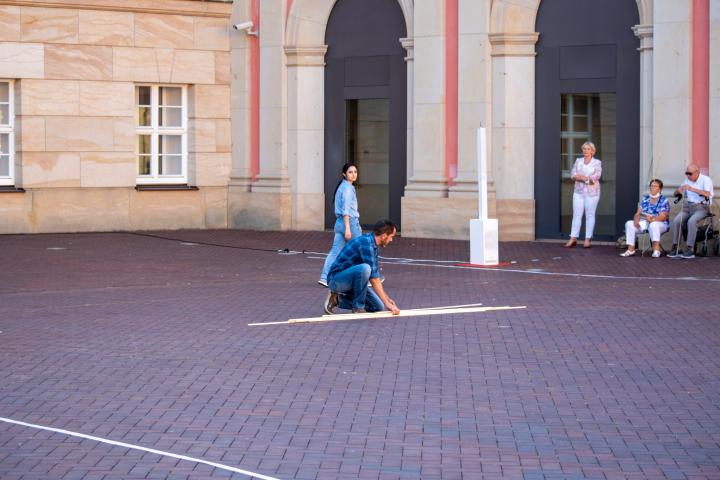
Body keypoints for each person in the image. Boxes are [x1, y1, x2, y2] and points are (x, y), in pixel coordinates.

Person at [323, 219, 401, 315]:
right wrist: (387, 303)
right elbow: (374, 279)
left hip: (352, 281)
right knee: (365, 268)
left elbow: (375, 275)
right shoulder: (366, 244)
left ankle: (337, 300)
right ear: (384, 236)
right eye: (391, 237)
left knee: (377, 306)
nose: (391, 240)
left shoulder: (373, 245)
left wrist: (387, 299)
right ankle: (358, 307)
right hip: (336, 280)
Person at [318, 163, 362, 287]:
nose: (353, 175)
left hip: (339, 223)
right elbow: (346, 211)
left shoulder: (342, 187)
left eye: (355, 172)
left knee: (335, 252)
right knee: (362, 250)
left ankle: (324, 277)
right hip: (349, 223)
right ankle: (367, 278)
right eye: (350, 172)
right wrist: (348, 228)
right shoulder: (348, 189)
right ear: (344, 174)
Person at [667, 163, 714, 259]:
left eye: (690, 173)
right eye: (686, 173)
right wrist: (678, 191)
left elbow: (708, 194)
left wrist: (692, 189)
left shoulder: (706, 180)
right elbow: (674, 194)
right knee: (676, 221)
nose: (688, 175)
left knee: (691, 221)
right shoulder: (686, 180)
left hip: (702, 206)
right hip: (688, 206)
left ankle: (690, 249)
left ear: (697, 172)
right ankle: (676, 247)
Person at [565, 141, 602, 249]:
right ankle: (573, 238)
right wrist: (583, 178)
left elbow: (595, 177)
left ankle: (587, 239)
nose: (586, 151)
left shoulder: (597, 162)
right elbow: (572, 175)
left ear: (592, 151)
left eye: (588, 149)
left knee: (590, 215)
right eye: (584, 149)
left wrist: (582, 178)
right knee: (577, 214)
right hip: (578, 192)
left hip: (592, 193)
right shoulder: (578, 161)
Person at [619, 179, 670, 258]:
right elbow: (638, 213)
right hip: (645, 222)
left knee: (653, 225)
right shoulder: (645, 199)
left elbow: (663, 216)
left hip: (660, 223)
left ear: (660, 188)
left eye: (655, 186)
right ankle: (631, 249)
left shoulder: (664, 200)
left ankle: (656, 250)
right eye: (651, 186)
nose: (652, 188)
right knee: (629, 223)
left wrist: (652, 219)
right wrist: (636, 219)